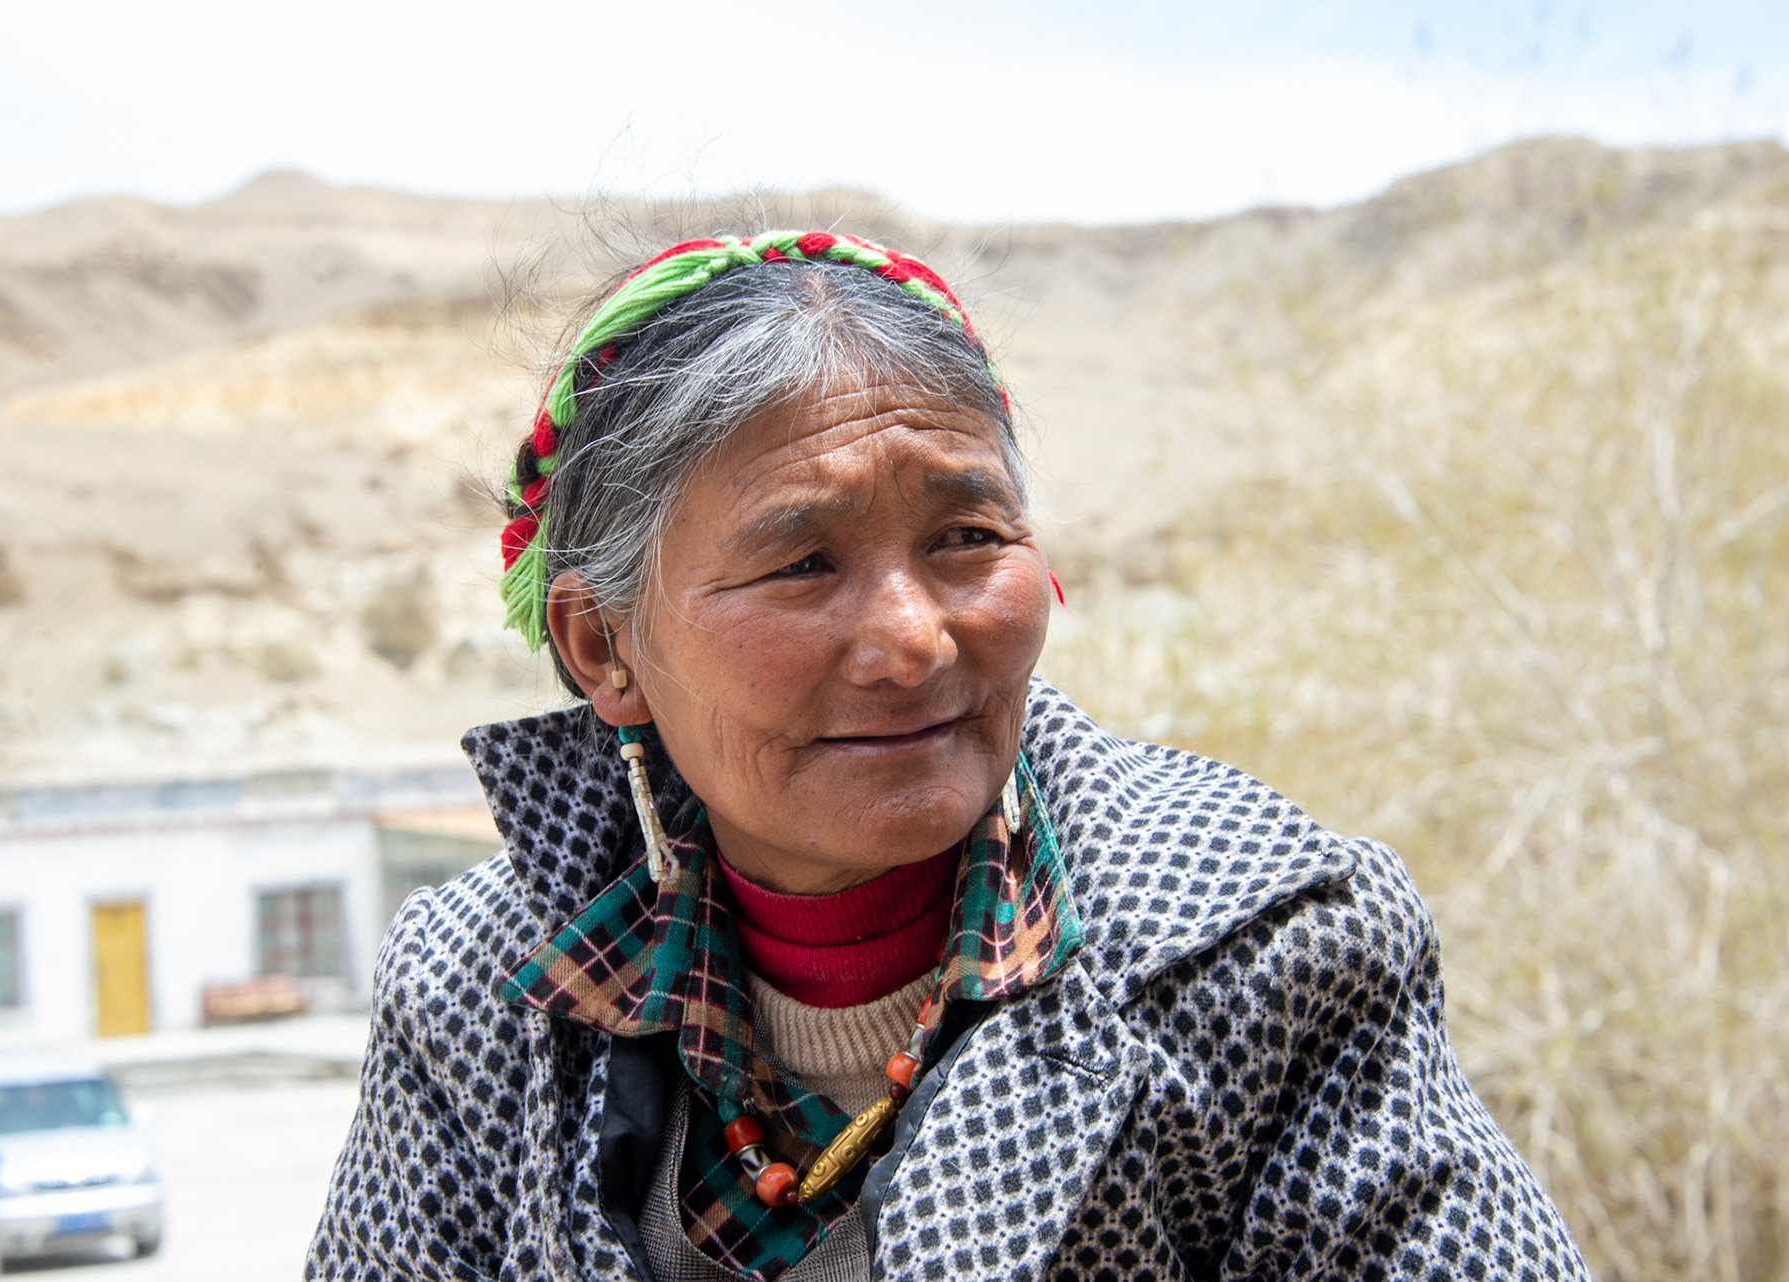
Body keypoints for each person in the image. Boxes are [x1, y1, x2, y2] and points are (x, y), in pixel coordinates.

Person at [307, 232, 1589, 1281]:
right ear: (605, 646)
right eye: (804, 562)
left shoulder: (1265, 945)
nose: (915, 641)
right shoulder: (476, 989)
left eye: (968, 537)